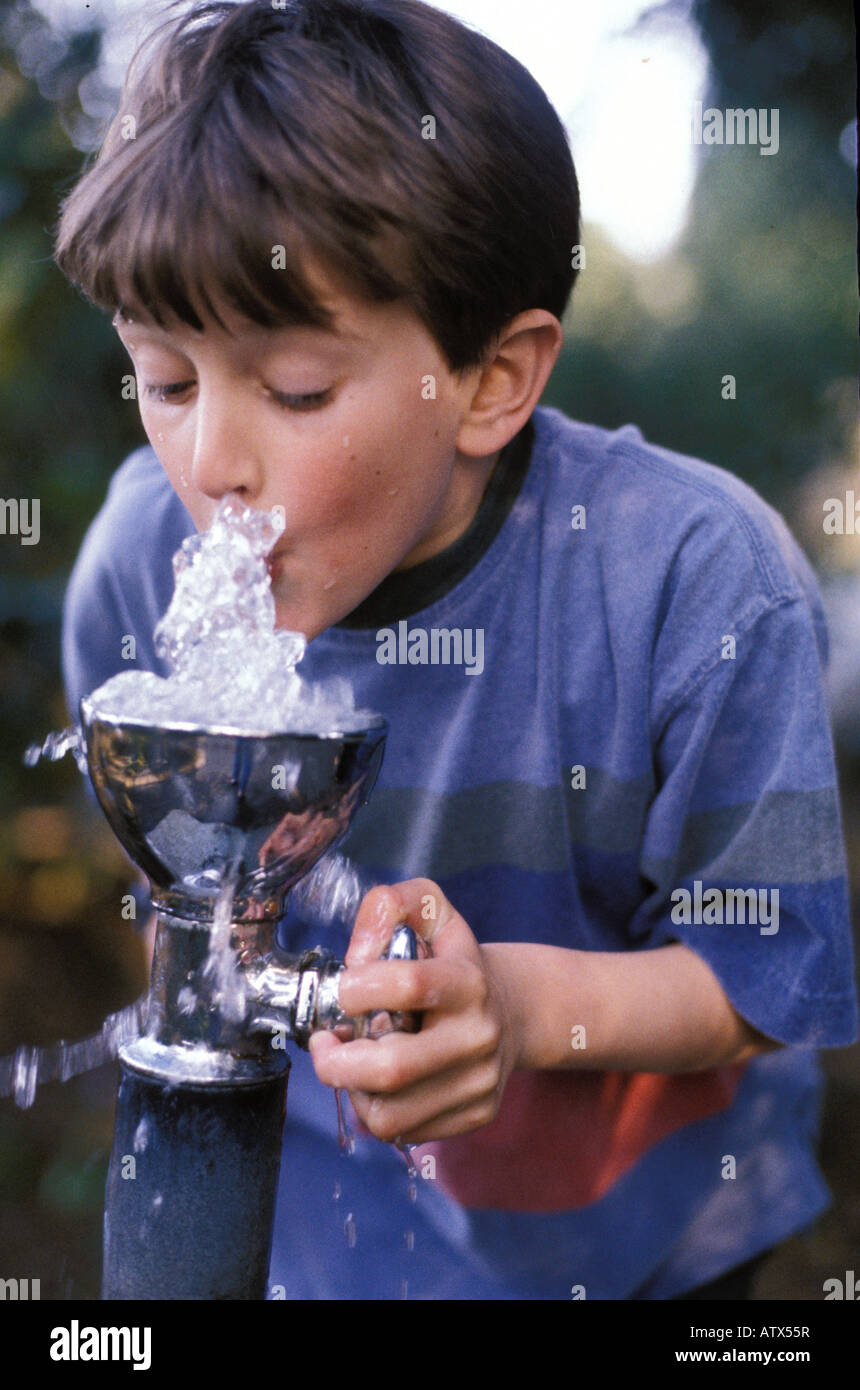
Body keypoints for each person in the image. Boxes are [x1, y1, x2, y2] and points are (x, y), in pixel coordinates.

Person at [54, 0, 857, 1300]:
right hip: (329, 1236)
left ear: (490, 380)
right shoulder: (141, 564)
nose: (212, 466)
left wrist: (527, 1009)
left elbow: (768, 967)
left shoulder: (691, 581)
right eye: (166, 377)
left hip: (652, 1242)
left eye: (297, 389)